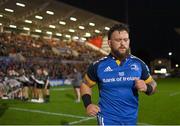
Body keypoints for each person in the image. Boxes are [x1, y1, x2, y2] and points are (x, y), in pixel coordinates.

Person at [80, 23, 157, 125]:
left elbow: (153, 84)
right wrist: (88, 104)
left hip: (131, 119)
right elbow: (85, 84)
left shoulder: (138, 63)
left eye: (125, 40)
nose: (122, 43)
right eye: (118, 40)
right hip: (107, 119)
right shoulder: (98, 65)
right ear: (109, 42)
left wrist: (148, 88)